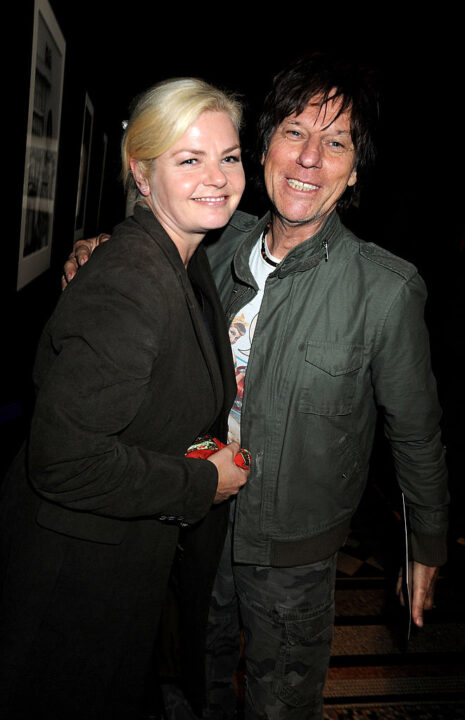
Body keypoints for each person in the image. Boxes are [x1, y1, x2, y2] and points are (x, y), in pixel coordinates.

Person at [63, 52, 449, 720]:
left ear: (354, 170)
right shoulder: (209, 241)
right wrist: (98, 246)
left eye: (335, 144)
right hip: (193, 519)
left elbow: (414, 430)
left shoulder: (384, 289)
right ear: (262, 146)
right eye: (294, 133)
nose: (308, 160)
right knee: (188, 682)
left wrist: (426, 547)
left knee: (280, 704)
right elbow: (147, 246)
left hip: (294, 555)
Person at [0, 77, 250, 720]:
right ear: (142, 174)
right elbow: (63, 460)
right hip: (73, 578)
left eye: (228, 156)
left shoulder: (183, 256)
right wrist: (201, 482)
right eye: (189, 159)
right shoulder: (133, 279)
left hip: (118, 564)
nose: (217, 176)